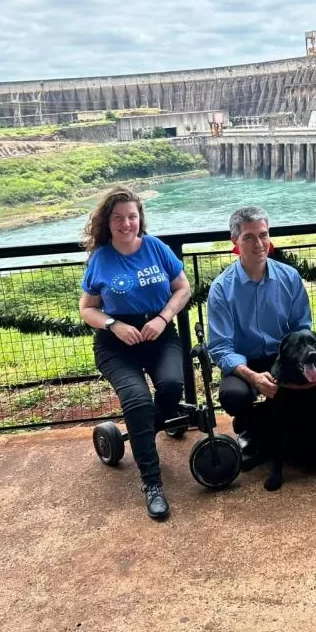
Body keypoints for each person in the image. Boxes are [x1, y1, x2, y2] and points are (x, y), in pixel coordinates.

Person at [79, 186, 191, 520]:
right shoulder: (100, 259)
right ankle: (152, 483)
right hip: (118, 345)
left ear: (140, 217)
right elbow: (87, 309)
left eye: (132, 216)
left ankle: (144, 428)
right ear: (107, 222)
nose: (126, 223)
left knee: (172, 387)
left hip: (158, 333)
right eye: (118, 218)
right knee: (139, 402)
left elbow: (182, 288)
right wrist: (113, 324)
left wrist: (163, 317)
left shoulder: (156, 248)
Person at [207, 206, 316, 451]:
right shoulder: (222, 288)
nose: (259, 243)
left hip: (287, 357)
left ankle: (304, 418)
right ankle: (251, 424)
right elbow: (221, 347)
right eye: (249, 237)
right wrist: (253, 377)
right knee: (234, 396)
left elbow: (302, 327)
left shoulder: (290, 277)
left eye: (263, 235)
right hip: (247, 362)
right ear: (235, 241)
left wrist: (294, 365)